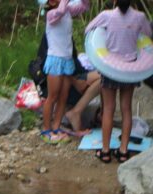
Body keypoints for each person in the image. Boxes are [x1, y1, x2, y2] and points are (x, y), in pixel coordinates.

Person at [86, 0, 153, 163]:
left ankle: (105, 151)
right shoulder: (140, 16)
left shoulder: (106, 16)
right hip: (130, 69)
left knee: (108, 109)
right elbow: (147, 35)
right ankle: (123, 151)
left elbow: (89, 30)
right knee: (126, 109)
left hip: (111, 68)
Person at [40, 0, 90, 144]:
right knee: (53, 96)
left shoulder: (67, 10)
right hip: (55, 59)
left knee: (63, 96)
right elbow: (60, 11)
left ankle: (56, 127)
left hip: (67, 59)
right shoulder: (51, 14)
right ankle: (46, 129)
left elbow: (84, 6)